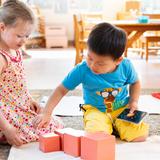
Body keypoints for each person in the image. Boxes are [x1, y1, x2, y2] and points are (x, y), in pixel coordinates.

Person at [33, 22, 149, 142]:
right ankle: (108, 126)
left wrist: (133, 101)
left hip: (121, 108)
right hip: (95, 110)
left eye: (100, 63)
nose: (93, 66)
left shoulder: (126, 66)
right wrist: (46, 113)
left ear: (118, 60)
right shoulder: (82, 69)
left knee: (140, 136)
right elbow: (61, 89)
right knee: (97, 138)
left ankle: (115, 125)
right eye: (89, 57)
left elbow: (135, 82)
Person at [0, 0, 63, 146]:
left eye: (27, 36)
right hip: (4, 112)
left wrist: (29, 100)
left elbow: (18, 83)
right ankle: (3, 131)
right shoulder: (1, 58)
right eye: (20, 36)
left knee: (49, 121)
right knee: (44, 129)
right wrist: (8, 128)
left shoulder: (16, 50)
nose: (24, 41)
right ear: (2, 27)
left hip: (16, 105)